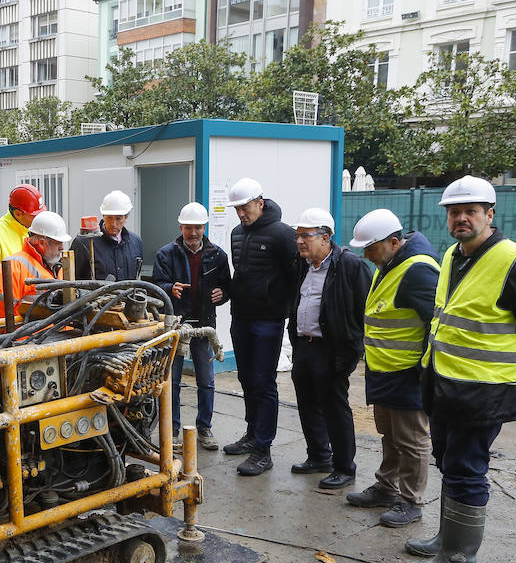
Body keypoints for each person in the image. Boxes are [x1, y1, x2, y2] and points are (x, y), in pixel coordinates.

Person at [403, 176, 516, 563]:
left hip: (484, 390)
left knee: (467, 468)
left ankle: (459, 560)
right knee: (450, 463)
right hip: (446, 382)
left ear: (489, 215)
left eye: (470, 211)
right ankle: (446, 540)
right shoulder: (455, 256)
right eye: (454, 212)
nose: (461, 219)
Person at [345, 209, 440, 527]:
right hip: (384, 371)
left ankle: (411, 500)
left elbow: (437, 324)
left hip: (407, 374)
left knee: (412, 440)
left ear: (395, 242)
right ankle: (386, 487)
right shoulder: (389, 265)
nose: (368, 256)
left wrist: (425, 370)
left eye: (371, 248)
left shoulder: (418, 271)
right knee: (390, 435)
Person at [285, 208, 372, 492]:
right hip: (304, 346)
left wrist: (350, 353)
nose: (299, 241)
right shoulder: (303, 265)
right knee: (307, 405)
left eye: (305, 236)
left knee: (335, 409)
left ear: (325, 237)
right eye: (298, 235)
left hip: (331, 350)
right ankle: (319, 456)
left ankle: (344, 467)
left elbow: (363, 313)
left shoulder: (350, 265)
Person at [222, 178, 298, 476]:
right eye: (237, 209)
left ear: (260, 203)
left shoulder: (282, 233)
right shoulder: (236, 233)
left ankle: (263, 450)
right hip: (241, 317)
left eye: (245, 207)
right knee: (246, 379)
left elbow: (295, 275)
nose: (241, 214)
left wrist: (284, 309)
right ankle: (252, 434)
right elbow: (239, 274)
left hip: (268, 319)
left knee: (264, 382)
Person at [152, 202, 231, 450]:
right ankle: (172, 430)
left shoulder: (218, 255)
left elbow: (227, 286)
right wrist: (169, 288)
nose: (194, 233)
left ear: (204, 227)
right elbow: (156, 286)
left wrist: (223, 294)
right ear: (181, 227)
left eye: (198, 228)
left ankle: (204, 429)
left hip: (205, 327)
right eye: (189, 228)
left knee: (206, 381)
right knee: (172, 381)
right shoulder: (166, 254)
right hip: (176, 326)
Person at [0, 210, 70, 321]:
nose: (62, 248)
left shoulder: (58, 267)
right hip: (30, 337)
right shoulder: (14, 267)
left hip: (59, 336)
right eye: (58, 243)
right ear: (41, 243)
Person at [0, 183, 45, 297]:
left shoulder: (31, 232)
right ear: (18, 213)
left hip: (31, 310)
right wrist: (10, 303)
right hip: (3, 313)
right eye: (34, 215)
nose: (39, 218)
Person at [75, 190, 143, 281]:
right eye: (109, 218)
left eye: (118, 218)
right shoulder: (84, 243)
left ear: (126, 218)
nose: (113, 224)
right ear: (103, 216)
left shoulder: (136, 243)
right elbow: (73, 281)